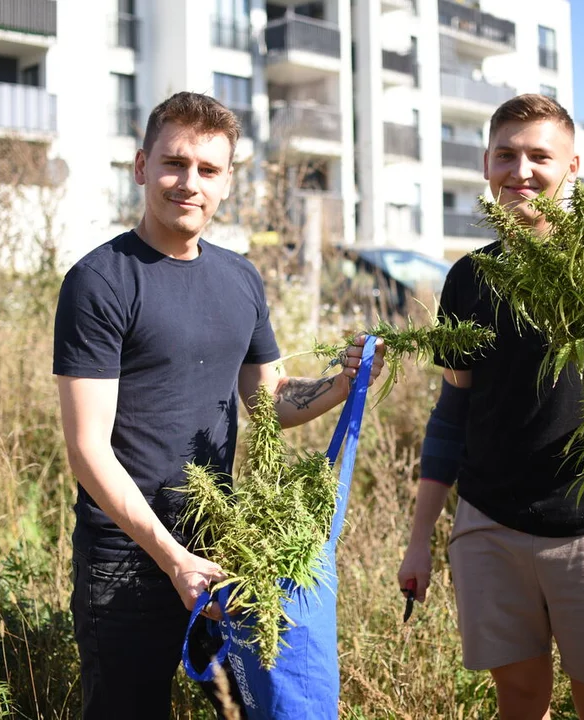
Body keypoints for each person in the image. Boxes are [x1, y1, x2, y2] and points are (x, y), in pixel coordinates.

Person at [54, 92, 385, 719]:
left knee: (242, 710)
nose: (189, 183)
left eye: (208, 170)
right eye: (174, 163)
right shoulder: (101, 280)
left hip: (221, 544)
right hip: (127, 555)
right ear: (141, 165)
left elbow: (269, 400)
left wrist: (345, 382)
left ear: (228, 181)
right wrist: (172, 559)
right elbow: (87, 449)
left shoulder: (240, 278)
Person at [397, 94, 584, 720]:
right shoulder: (469, 279)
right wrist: (420, 539)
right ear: (485, 163)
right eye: (507, 154)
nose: (521, 170)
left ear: (573, 167)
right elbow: (453, 412)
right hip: (490, 526)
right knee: (520, 701)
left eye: (540, 156)